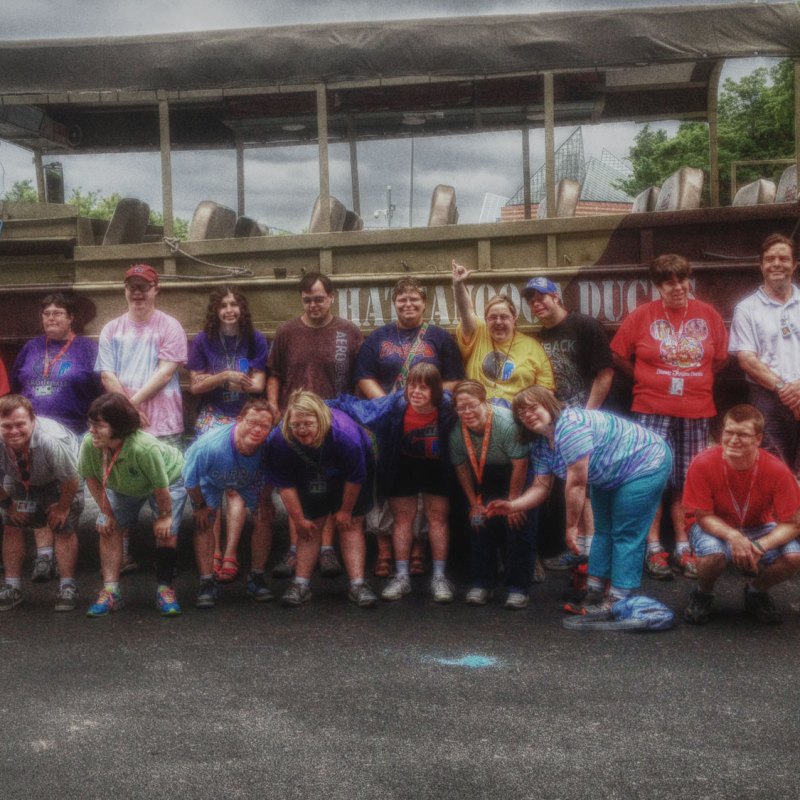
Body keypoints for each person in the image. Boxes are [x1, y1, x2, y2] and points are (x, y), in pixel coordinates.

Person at [488, 386, 672, 619]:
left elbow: (576, 484)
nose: (527, 415)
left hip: (645, 462)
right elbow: (541, 486)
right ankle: (594, 592)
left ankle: (618, 599)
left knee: (625, 532)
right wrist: (513, 506)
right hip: (608, 471)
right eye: (521, 413)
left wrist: (572, 527)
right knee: (604, 531)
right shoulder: (542, 443)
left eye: (533, 407)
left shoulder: (570, 426)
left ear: (549, 404)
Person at [611, 254, 728, 580]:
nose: (676, 287)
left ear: (689, 280)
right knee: (651, 478)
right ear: (658, 286)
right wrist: (643, 377)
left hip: (696, 409)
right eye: (668, 282)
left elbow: (718, 359)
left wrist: (695, 378)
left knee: (687, 480)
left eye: (681, 279)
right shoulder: (642, 315)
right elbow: (618, 353)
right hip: (651, 408)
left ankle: (682, 544)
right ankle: (653, 549)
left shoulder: (708, 315)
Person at [355, 276, 464, 577]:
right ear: (395, 303)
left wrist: (421, 400)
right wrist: (391, 405)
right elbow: (364, 377)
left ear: (424, 303)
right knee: (386, 482)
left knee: (426, 485)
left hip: (427, 420)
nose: (408, 304)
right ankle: (384, 547)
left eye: (414, 299)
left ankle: (420, 545)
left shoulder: (439, 338)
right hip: (388, 422)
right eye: (402, 299)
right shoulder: (378, 338)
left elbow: (455, 379)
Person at [330, 363, 457, 603]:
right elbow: (360, 408)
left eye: (424, 388)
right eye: (412, 386)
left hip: (437, 466)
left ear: (436, 391)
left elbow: (482, 405)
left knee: (438, 518)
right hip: (403, 464)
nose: (416, 392)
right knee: (402, 520)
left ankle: (439, 576)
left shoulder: (448, 406)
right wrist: (320, 405)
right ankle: (401, 576)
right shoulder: (396, 404)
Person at [267, 272, 362, 581]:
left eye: (319, 299)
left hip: (333, 421)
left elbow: (358, 378)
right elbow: (274, 373)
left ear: (331, 298)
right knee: (299, 484)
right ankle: (295, 549)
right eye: (307, 300)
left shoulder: (348, 331)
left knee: (329, 484)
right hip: (295, 422)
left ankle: (327, 549)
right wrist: (274, 408)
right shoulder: (287, 332)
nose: (313, 305)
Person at [95, 263, 188, 573]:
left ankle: (166, 569)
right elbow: (107, 375)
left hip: (163, 424)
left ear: (155, 289)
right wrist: (130, 415)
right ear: (125, 290)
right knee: (121, 488)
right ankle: (122, 555)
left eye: (143, 286)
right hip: (121, 428)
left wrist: (129, 408)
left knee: (165, 493)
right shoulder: (111, 329)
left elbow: (165, 372)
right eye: (131, 286)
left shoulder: (169, 326)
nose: (137, 292)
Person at [522, 275, 613, 572]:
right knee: (572, 486)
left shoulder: (584, 325)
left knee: (586, 485)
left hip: (584, 421)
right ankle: (582, 550)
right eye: (532, 300)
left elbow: (605, 374)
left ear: (556, 296)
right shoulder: (539, 338)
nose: (538, 304)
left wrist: (587, 416)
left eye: (542, 297)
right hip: (556, 425)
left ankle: (593, 554)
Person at [11, 292, 101, 582]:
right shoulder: (32, 347)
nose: (51, 317)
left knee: (62, 492)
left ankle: (67, 559)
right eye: (46, 313)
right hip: (31, 432)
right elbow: (16, 386)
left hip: (71, 430)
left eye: (58, 313)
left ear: (71, 317)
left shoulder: (87, 349)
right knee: (35, 485)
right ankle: (43, 557)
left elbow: (100, 391)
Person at [682, 404, 800, 625]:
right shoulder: (703, 463)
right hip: (714, 524)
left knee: (794, 557)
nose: (733, 440)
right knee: (713, 556)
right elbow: (703, 516)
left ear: (758, 439)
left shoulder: (777, 470)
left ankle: (755, 592)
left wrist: (759, 546)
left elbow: (793, 524)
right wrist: (734, 537)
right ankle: (702, 594)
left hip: (758, 525)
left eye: (742, 434)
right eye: (729, 432)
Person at [264, 390, 378, 609]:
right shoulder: (280, 439)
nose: (302, 430)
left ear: (320, 418)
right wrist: (298, 520)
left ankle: (357, 585)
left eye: (308, 423)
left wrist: (344, 511)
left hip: (348, 474)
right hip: (307, 471)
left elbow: (355, 477)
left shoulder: (344, 434)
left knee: (351, 524)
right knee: (310, 526)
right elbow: (285, 485)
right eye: (296, 425)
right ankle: (300, 585)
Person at [79, 393, 187, 617]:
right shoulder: (91, 443)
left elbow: (160, 486)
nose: (92, 430)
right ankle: (111, 591)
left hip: (168, 479)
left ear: (118, 427)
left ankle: (165, 589)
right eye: (91, 424)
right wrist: (106, 511)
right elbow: (91, 478)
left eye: (98, 425)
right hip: (123, 484)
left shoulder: (143, 448)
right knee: (107, 526)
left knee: (166, 530)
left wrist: (165, 515)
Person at [187, 286, 269, 582]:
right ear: (216, 311)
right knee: (212, 483)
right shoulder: (203, 341)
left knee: (236, 485)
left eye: (234, 304)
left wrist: (220, 381)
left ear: (242, 308)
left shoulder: (255, 339)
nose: (229, 310)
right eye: (223, 305)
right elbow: (195, 386)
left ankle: (232, 552)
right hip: (213, 415)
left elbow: (259, 385)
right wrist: (225, 377)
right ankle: (215, 550)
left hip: (243, 416)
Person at [449, 380, 534, 608]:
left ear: (485, 402)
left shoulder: (506, 424)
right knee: (478, 522)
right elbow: (462, 468)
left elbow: (521, 464)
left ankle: (518, 588)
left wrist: (514, 503)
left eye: (472, 406)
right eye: (461, 408)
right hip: (484, 475)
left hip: (517, 472)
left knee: (516, 523)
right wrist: (473, 504)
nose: (467, 412)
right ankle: (481, 583)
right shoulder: (457, 432)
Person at [183, 399, 276, 608]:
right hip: (210, 477)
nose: (258, 430)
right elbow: (190, 480)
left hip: (247, 479)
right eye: (252, 423)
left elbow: (272, 475)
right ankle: (207, 581)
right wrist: (200, 506)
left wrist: (264, 500)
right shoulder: (210, 445)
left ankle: (257, 578)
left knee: (265, 516)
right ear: (240, 420)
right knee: (204, 521)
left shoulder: (270, 445)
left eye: (264, 426)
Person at [0, 395, 83, 612]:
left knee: (62, 526)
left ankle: (67, 586)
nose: (13, 431)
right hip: (19, 477)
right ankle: (12, 587)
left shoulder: (51, 440)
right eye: (6, 426)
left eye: (20, 424)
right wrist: (9, 504)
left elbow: (71, 478)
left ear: (33, 420)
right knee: (11, 524)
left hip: (59, 480)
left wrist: (63, 508)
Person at [729, 234, 800, 471]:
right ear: (761, 266)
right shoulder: (747, 308)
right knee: (773, 468)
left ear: (795, 264)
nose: (777, 264)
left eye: (784, 258)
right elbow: (747, 360)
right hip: (767, 399)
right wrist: (785, 390)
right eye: (770, 259)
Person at [451, 260, 554, 408]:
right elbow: (466, 311)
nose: (498, 322)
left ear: (514, 319)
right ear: (486, 320)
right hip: (479, 411)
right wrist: (458, 285)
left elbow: (546, 390)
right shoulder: (478, 333)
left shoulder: (532, 346)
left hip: (517, 414)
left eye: (504, 317)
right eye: (492, 317)